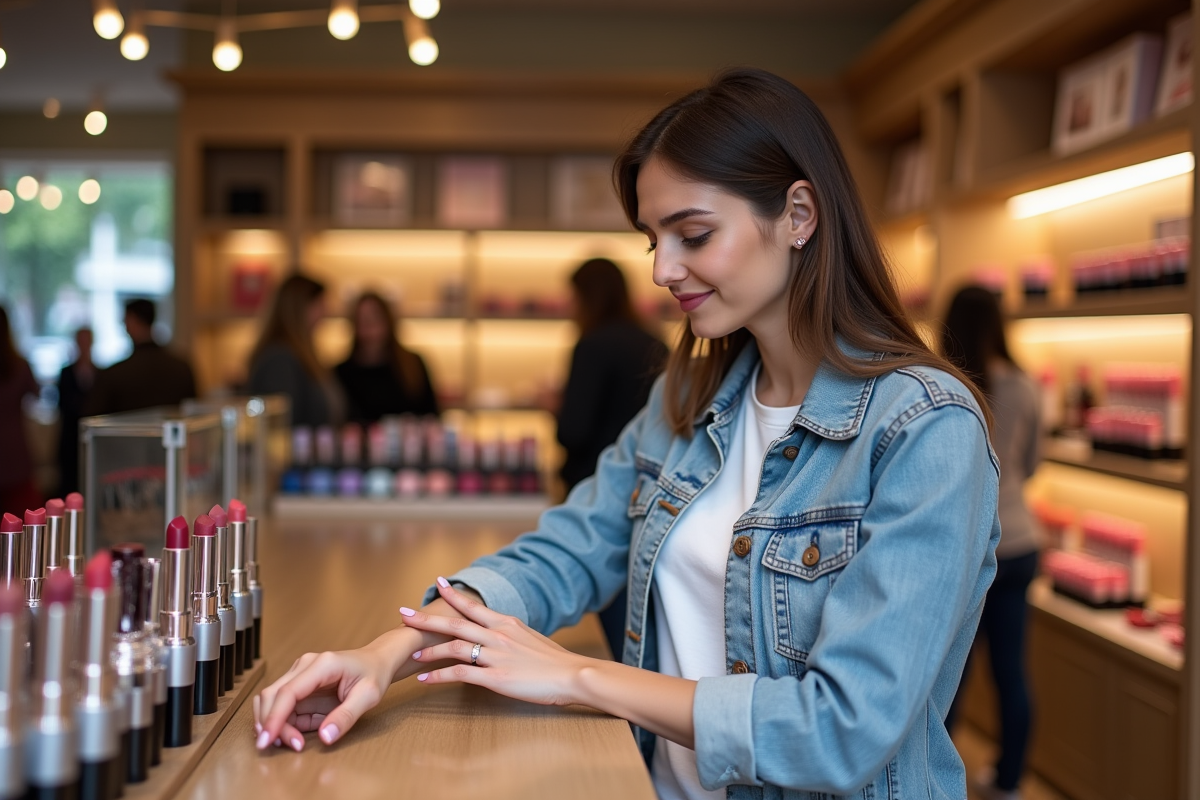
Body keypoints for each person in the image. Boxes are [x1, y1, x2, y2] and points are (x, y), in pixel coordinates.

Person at [253, 68, 1001, 800]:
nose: (662, 269)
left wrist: (578, 678)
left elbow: (843, 727)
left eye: (694, 234)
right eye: (653, 239)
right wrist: (391, 652)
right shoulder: (687, 398)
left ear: (799, 215)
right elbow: (567, 551)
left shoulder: (925, 430)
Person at [942, 285, 1041, 800]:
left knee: (947, 671)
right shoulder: (1024, 385)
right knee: (1011, 671)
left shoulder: (944, 384)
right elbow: (1030, 464)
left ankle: (932, 777)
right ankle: (1009, 781)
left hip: (965, 544)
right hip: (1022, 541)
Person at [556, 257, 668, 659]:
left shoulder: (593, 344)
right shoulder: (654, 343)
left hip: (595, 487)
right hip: (654, 494)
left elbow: (573, 429)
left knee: (600, 597)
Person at [247, 274, 344, 428]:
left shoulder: (302, 355)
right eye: (319, 305)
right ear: (299, 308)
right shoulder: (279, 360)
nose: (325, 312)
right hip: (295, 452)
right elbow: (282, 424)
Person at [335, 291, 439, 423]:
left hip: (408, 442)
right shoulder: (342, 372)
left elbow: (432, 415)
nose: (369, 326)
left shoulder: (413, 364)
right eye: (362, 320)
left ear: (388, 320)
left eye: (374, 318)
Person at [87, 299, 196, 415]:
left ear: (132, 321)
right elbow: (192, 412)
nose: (124, 326)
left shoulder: (115, 374)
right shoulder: (182, 368)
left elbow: (93, 417)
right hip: (169, 432)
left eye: (125, 321)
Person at [0, 305, 42, 512]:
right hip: (15, 448)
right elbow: (37, 394)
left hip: (13, 452)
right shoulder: (19, 365)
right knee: (18, 520)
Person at [57, 327, 95, 496]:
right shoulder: (66, 372)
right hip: (70, 437)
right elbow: (61, 404)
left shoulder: (100, 372)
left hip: (91, 438)